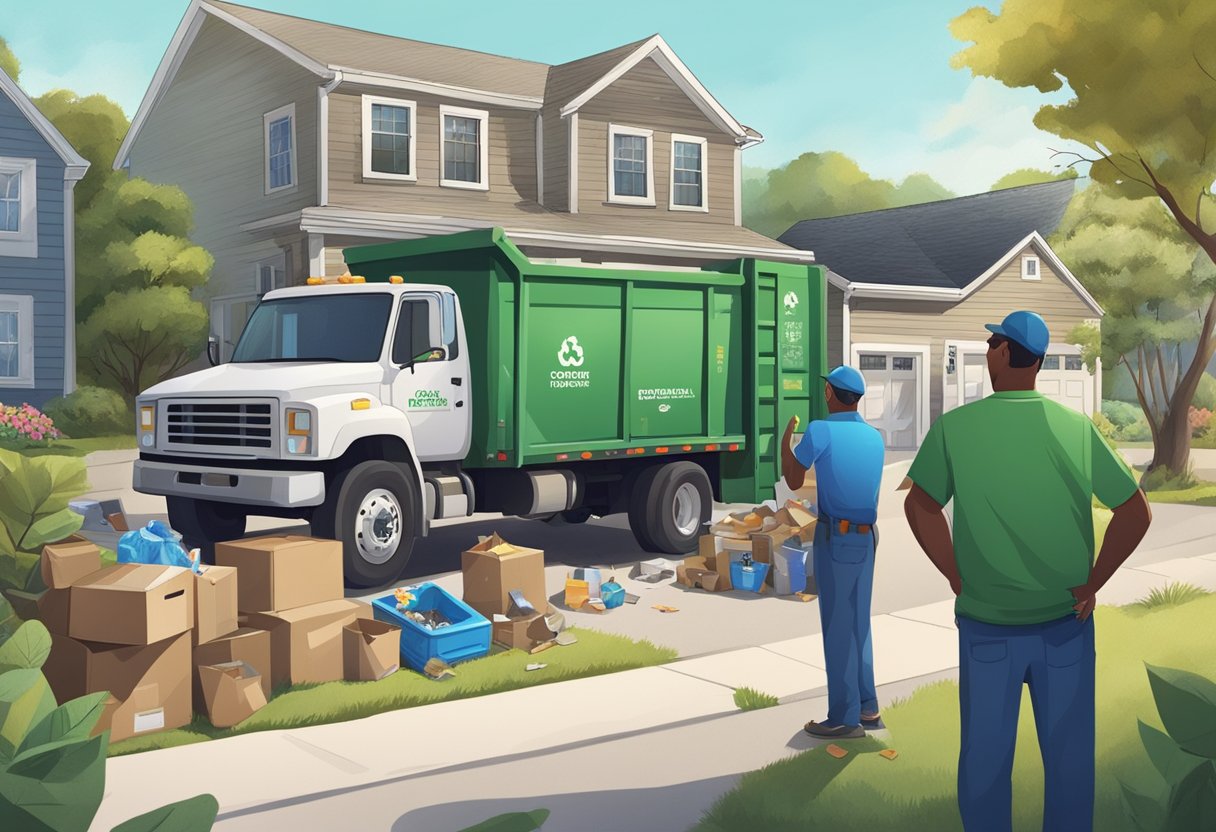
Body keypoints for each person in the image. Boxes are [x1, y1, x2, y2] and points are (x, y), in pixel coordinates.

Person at [902, 310, 1152, 832]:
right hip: (1066, 625)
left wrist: (953, 572)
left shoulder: (957, 428)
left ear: (1002, 354)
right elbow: (1135, 511)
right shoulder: (1075, 429)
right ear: (1038, 363)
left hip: (986, 625)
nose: (989, 350)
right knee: (1069, 763)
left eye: (993, 342)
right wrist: (1094, 583)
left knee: (985, 764)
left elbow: (920, 505)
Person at [780, 365, 886, 740]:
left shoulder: (821, 430)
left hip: (835, 536)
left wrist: (786, 440)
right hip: (867, 538)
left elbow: (794, 479)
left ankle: (844, 716)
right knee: (859, 623)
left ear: (830, 394)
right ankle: (868, 706)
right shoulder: (875, 437)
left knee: (838, 625)